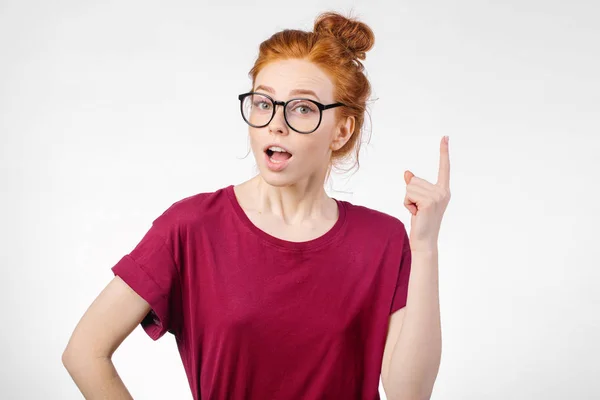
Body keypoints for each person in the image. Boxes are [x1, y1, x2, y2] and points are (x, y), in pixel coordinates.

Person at [62, 10, 450, 400]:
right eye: (263, 103)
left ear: (342, 130)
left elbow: (409, 393)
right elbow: (85, 352)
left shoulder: (382, 239)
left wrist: (426, 247)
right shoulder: (191, 227)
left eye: (302, 108)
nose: (275, 124)